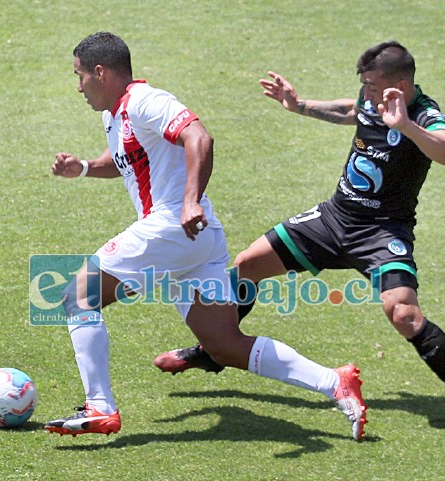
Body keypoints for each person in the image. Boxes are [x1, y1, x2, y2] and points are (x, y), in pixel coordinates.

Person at [154, 41, 445, 436]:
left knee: (404, 314)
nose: (366, 93)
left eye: (373, 85)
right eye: (364, 84)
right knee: (249, 264)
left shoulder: (423, 113)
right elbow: (352, 110)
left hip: (382, 232)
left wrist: (405, 126)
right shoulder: (372, 99)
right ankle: (216, 349)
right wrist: (300, 105)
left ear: (400, 84)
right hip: (334, 218)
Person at [44, 32, 368, 441]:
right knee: (225, 346)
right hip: (197, 239)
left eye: (79, 76)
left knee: (78, 296)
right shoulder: (115, 115)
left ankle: (99, 407)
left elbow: (199, 137)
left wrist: (189, 201)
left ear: (100, 72)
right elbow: (128, 157)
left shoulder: (147, 101)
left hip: (174, 226)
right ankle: (334, 382)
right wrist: (87, 167)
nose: (78, 87)